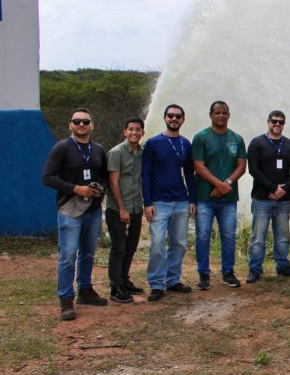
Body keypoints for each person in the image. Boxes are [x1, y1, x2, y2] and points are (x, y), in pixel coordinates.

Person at [42, 108, 109, 320]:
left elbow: (105, 176)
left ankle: (85, 290)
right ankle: (66, 299)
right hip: (69, 209)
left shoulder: (98, 149)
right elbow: (48, 177)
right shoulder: (62, 148)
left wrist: (100, 190)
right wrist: (75, 188)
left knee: (88, 253)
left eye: (85, 121)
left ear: (92, 125)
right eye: (77, 121)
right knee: (68, 256)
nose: (81, 125)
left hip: (93, 210)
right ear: (69, 124)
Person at [142, 104, 197, 302]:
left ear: (183, 119)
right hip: (159, 202)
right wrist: (147, 202)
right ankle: (157, 283)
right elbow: (145, 174)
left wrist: (193, 199)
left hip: (181, 201)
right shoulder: (153, 143)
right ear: (165, 118)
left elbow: (189, 174)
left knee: (179, 243)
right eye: (170, 116)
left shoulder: (186, 144)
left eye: (178, 116)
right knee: (157, 243)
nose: (174, 119)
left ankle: (173, 280)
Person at [193, 101, 247, 289]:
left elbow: (241, 165)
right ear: (211, 115)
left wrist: (227, 184)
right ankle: (203, 274)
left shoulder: (237, 139)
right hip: (205, 198)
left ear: (229, 115)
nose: (221, 115)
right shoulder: (201, 137)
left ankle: (228, 272)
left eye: (224, 112)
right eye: (217, 112)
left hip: (228, 200)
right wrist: (218, 184)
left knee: (229, 235)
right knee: (202, 236)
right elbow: (198, 166)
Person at [246, 110, 290, 282]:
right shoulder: (257, 143)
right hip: (262, 198)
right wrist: (271, 188)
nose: (277, 125)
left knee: (283, 236)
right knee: (258, 237)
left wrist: (283, 188)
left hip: (283, 199)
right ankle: (255, 269)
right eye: (274, 121)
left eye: (281, 122)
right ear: (268, 121)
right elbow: (253, 169)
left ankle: (283, 266)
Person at [105, 117, 145, 303]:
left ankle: (124, 280)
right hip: (118, 209)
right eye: (131, 129)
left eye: (138, 130)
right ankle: (115, 287)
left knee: (131, 247)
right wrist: (122, 209)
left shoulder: (141, 153)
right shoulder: (117, 153)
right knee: (118, 248)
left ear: (142, 133)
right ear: (125, 132)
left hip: (136, 207)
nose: (134, 133)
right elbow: (113, 182)